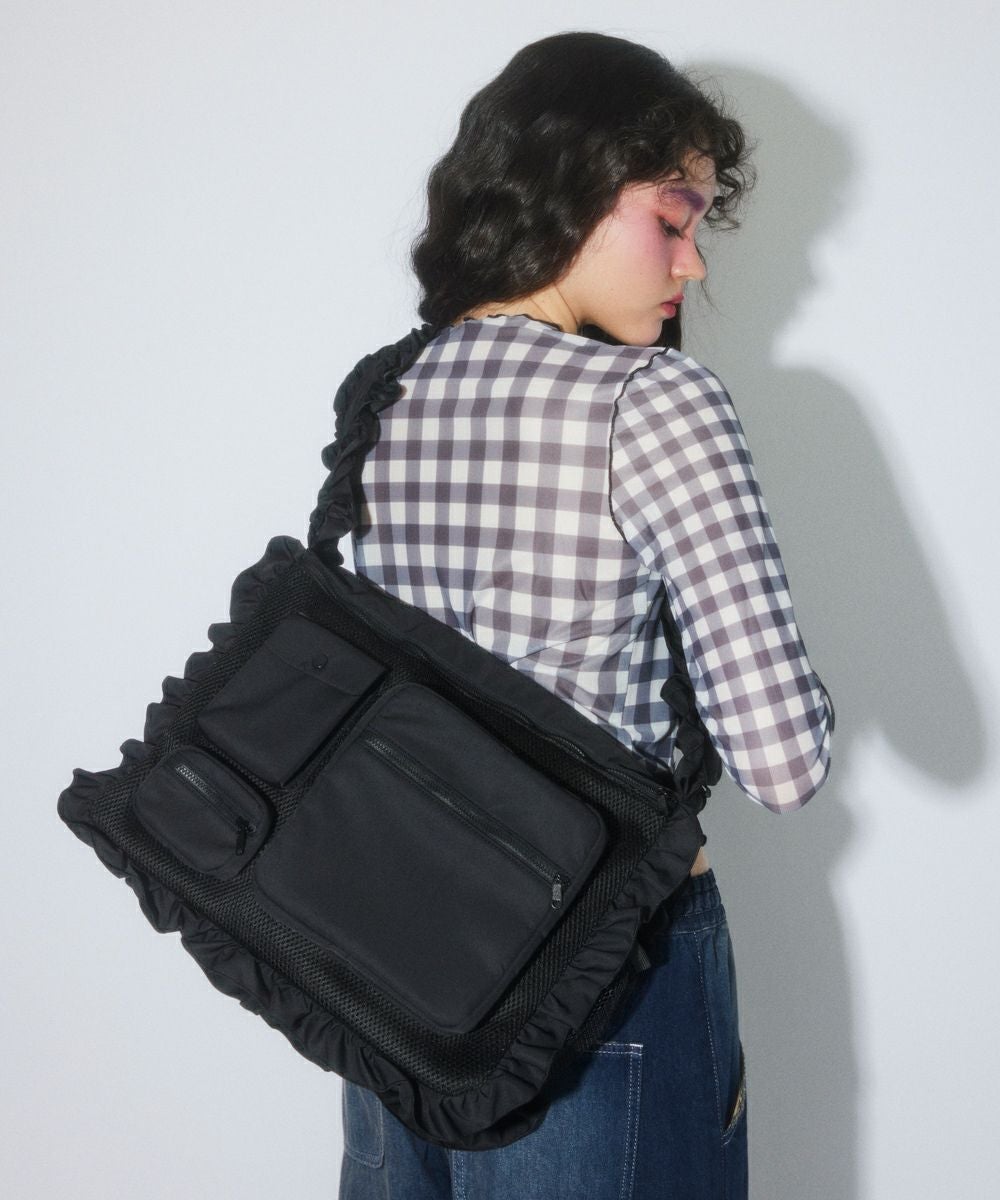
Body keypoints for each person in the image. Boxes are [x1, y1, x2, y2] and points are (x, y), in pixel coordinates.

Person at [338, 30, 835, 1200]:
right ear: (570, 181)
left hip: (395, 959)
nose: (692, 263)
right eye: (673, 216)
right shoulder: (653, 402)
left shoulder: (386, 387)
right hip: (603, 965)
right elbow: (782, 765)